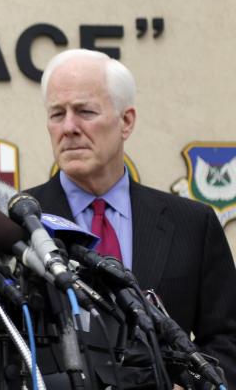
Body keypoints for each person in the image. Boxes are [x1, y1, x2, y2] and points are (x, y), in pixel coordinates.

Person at [26, 48, 236, 381]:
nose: (68, 127)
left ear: (126, 121)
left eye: (85, 111)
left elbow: (228, 339)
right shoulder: (16, 224)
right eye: (56, 114)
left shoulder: (193, 224)